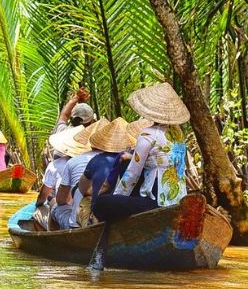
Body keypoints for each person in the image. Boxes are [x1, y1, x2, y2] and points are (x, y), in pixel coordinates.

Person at [93, 83, 190, 222]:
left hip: (156, 202)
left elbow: (133, 173)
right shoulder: (178, 135)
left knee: (101, 203)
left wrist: (117, 198)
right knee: (126, 163)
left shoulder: (148, 134)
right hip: (178, 199)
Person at [74, 117, 136, 227]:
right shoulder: (135, 159)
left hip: (103, 213)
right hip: (128, 211)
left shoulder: (96, 160)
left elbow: (82, 189)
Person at [51, 117, 108, 230]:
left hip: (77, 224)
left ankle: (51, 239)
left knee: (54, 205)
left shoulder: (73, 162)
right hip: (105, 220)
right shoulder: (119, 159)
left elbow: (61, 200)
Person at [32, 125, 89, 230]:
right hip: (90, 215)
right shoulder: (96, 160)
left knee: (51, 204)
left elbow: (49, 197)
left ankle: (51, 236)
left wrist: (38, 204)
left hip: (74, 218)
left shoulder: (57, 164)